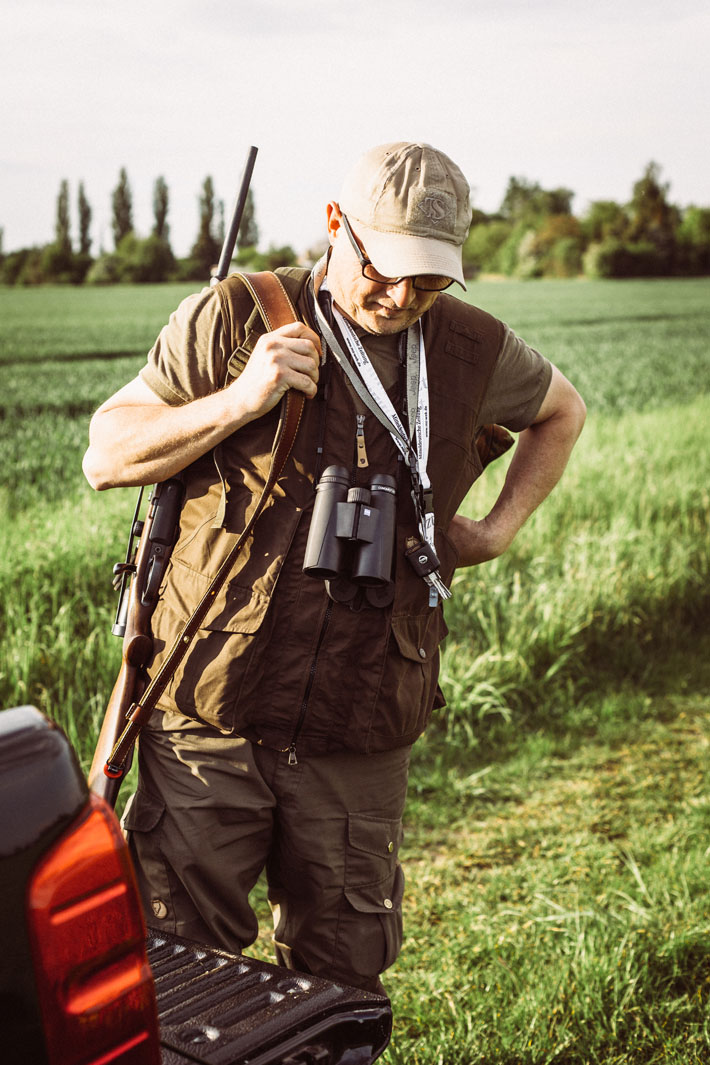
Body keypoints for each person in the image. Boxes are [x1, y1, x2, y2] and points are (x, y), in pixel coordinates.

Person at [83, 141, 586, 995]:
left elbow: (562, 410)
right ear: (333, 225)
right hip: (213, 710)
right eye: (383, 268)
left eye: (428, 280)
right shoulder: (236, 316)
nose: (400, 298)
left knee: (344, 978)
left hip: (361, 720)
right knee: (180, 966)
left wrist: (497, 530)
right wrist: (241, 399)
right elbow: (106, 452)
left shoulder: (471, 349)